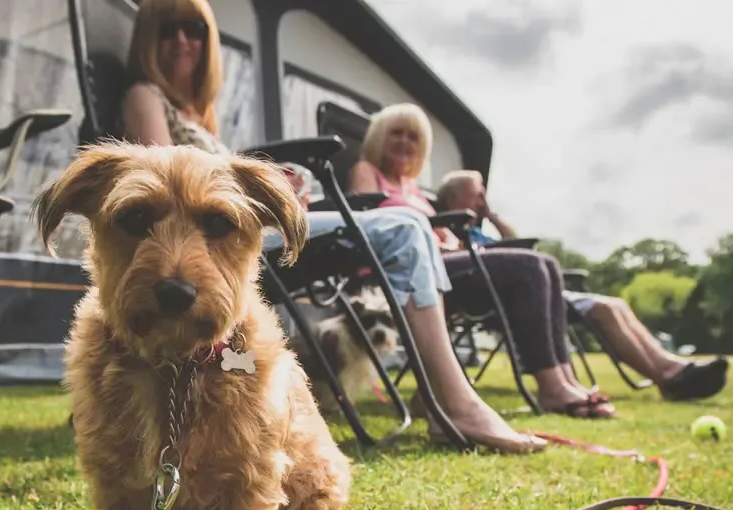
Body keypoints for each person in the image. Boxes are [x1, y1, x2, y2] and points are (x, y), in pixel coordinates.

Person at [116, 0, 546, 453]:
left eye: (193, 29)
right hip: (217, 241)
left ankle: (444, 396)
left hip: (242, 228)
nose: (183, 41)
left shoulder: (198, 116)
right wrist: (256, 185)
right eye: (168, 31)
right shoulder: (145, 95)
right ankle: (453, 402)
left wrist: (277, 187)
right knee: (404, 226)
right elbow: (167, 184)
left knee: (408, 225)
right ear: (147, 39)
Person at [349, 104, 615, 418]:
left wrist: (448, 241)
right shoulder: (366, 171)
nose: (405, 142)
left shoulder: (416, 191)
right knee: (527, 267)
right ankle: (552, 388)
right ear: (379, 137)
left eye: (413, 137)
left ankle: (566, 379)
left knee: (547, 264)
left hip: (439, 268)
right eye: (396, 133)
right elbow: (366, 224)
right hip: (396, 270)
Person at [435, 169, 729, 401]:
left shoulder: (480, 231)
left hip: (532, 288)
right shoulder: (449, 228)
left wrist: (490, 215)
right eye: (477, 193)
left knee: (617, 303)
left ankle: (670, 365)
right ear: (456, 196)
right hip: (508, 298)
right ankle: (668, 376)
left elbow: (515, 243)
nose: (482, 198)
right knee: (604, 308)